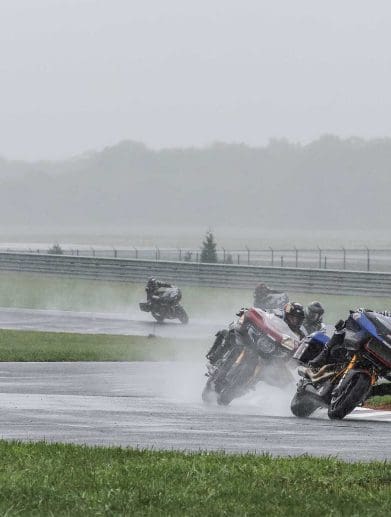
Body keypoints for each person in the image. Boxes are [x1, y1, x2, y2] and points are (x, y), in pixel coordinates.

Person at [309, 308, 391, 368]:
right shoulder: (388, 316)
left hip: (386, 358)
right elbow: (380, 315)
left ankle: (368, 390)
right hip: (375, 340)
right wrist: (366, 312)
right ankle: (323, 355)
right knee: (344, 326)